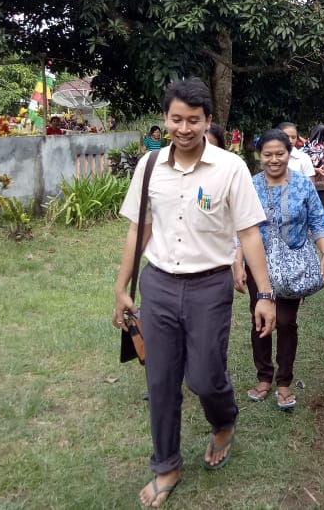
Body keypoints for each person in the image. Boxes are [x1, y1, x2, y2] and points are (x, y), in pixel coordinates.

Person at [114, 78, 277, 507]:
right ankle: (166, 464)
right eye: (176, 119)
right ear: (165, 119)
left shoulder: (230, 168)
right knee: (162, 380)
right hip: (159, 284)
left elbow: (249, 233)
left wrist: (265, 294)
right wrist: (121, 287)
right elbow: (138, 230)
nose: (184, 128)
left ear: (208, 121)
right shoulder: (149, 167)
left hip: (210, 287)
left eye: (193, 120)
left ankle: (224, 421)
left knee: (205, 377)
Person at [242, 129, 324, 410]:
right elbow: (241, 226)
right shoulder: (251, 185)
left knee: (285, 321)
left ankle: (284, 382)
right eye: (267, 155)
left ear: (289, 153)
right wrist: (237, 260)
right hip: (259, 264)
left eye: (279, 153)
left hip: (294, 264)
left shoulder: (303, 185)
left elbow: (318, 219)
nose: (274, 160)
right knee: (261, 319)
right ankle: (264, 378)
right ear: (260, 156)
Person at [303, 125, 324, 242]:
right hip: (314, 183)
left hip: (322, 182)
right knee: (316, 209)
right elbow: (304, 165)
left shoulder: (319, 146)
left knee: (323, 210)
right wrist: (316, 170)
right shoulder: (309, 148)